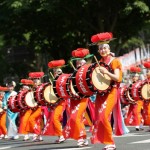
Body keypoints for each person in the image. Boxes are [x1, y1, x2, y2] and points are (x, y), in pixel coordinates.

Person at [90, 43, 128, 150]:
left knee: (103, 116)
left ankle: (111, 142)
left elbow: (117, 78)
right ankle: (106, 140)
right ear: (98, 51)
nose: (103, 50)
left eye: (105, 48)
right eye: (100, 48)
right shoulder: (99, 62)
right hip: (100, 93)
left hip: (111, 91)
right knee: (98, 117)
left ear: (109, 49)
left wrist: (106, 72)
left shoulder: (114, 61)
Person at [62, 59, 89, 147]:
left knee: (75, 117)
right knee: (78, 118)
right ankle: (84, 138)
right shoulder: (72, 75)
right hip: (74, 99)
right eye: (78, 63)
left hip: (83, 99)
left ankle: (80, 137)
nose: (79, 64)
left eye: (81, 63)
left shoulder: (87, 73)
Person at [42, 61, 66, 143]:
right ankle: (61, 135)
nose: (56, 73)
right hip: (57, 103)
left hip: (63, 102)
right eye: (55, 71)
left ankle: (62, 135)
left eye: (58, 71)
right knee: (54, 118)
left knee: (55, 118)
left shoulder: (63, 79)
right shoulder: (54, 81)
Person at [26, 73, 44, 142]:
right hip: (34, 107)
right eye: (34, 81)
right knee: (37, 121)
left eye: (36, 81)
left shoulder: (41, 87)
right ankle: (39, 136)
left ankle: (36, 133)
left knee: (31, 119)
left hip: (40, 107)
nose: (35, 82)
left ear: (39, 81)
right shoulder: (32, 89)